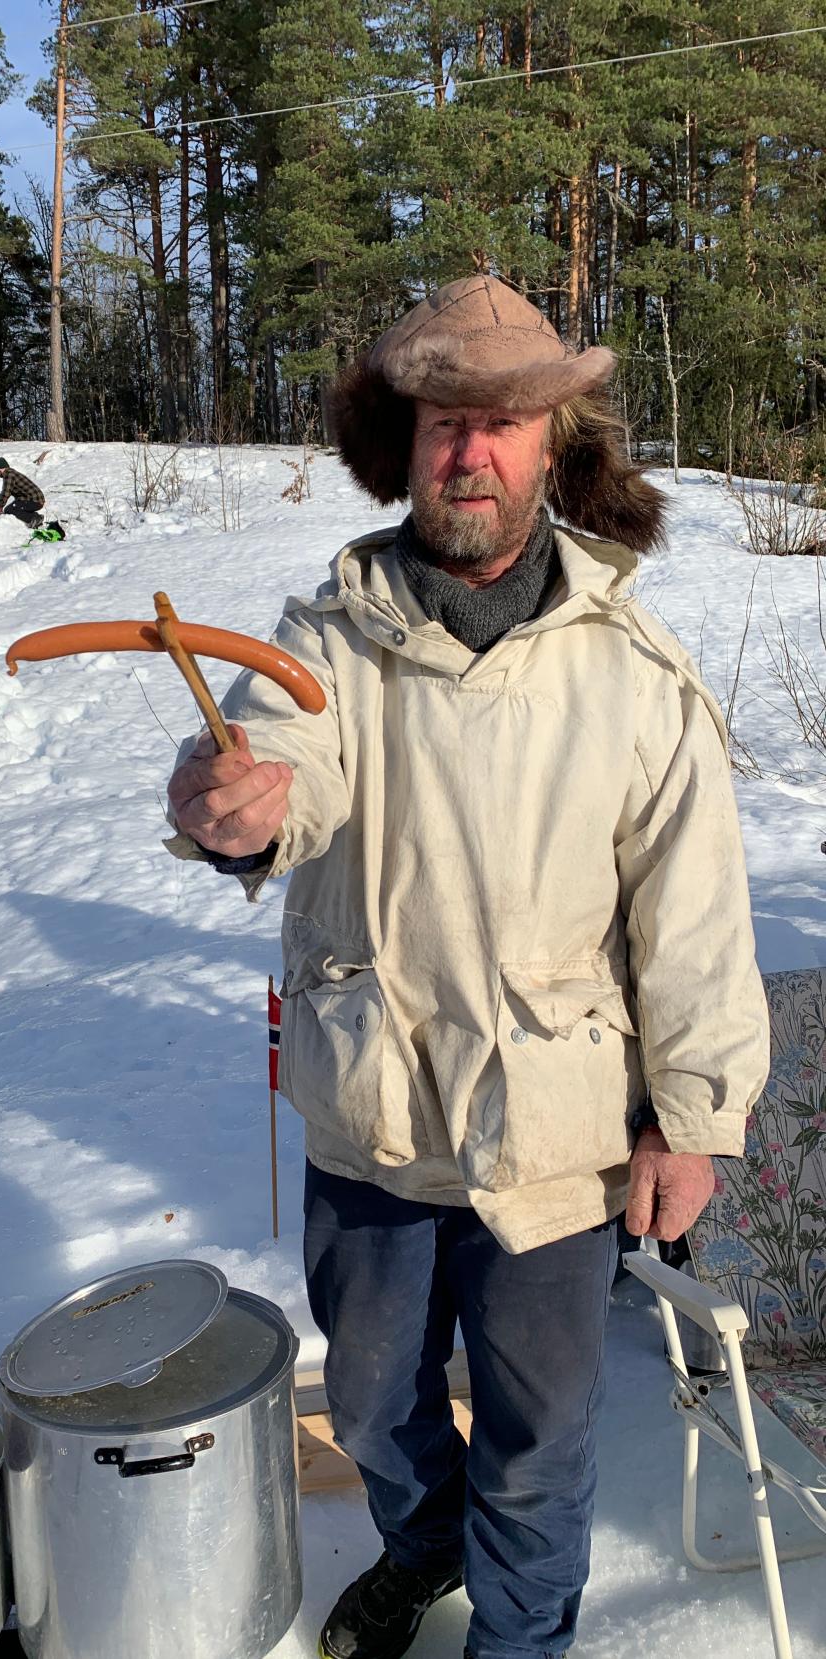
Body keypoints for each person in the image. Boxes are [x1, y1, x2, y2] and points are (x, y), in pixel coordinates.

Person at [164, 274, 769, 1659]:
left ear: (558, 442)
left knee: (540, 1441)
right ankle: (422, 1543)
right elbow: (279, 770)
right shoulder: (324, 640)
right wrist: (233, 808)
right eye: (445, 419)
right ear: (404, 437)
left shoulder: (634, 668)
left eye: (504, 423)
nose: (471, 452)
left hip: (556, 1136)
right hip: (374, 1119)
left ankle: (521, 1639)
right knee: (374, 1405)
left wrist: (695, 1113)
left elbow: (693, 912)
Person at [0, 457, 44, 527]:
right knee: (13, 507)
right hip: (34, 500)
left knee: (10, 510)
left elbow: (6, 492)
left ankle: (34, 518)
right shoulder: (10, 473)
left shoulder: (8, 475)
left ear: (1, 469)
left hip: (34, 501)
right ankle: (36, 517)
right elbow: (6, 492)